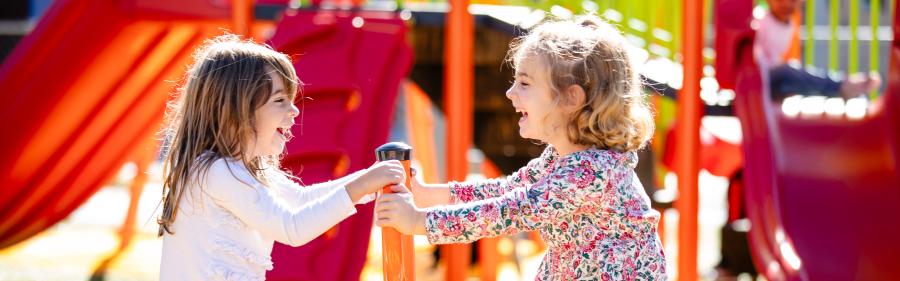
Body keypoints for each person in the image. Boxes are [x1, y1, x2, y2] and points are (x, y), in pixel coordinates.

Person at [374, 15, 667, 280]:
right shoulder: (560, 158)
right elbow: (505, 191)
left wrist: (420, 221)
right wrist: (426, 195)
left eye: (525, 83)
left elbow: (510, 211)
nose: (510, 92)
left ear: (570, 99)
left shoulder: (590, 173)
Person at [157, 35, 407, 280]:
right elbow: (291, 227)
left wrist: (372, 181)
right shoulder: (215, 172)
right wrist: (364, 184)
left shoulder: (245, 168)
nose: (295, 109)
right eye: (279, 100)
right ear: (231, 111)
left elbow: (300, 200)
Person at [757, 0, 880, 99]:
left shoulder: (790, 24)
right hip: (759, 79)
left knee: (797, 76)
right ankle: (840, 85)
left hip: (771, 81)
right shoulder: (760, 22)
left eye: (793, 0)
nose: (786, 4)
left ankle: (841, 89)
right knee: (787, 71)